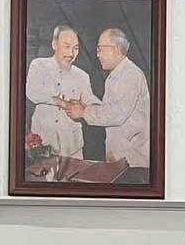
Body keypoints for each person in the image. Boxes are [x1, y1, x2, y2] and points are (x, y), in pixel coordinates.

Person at [61, 28, 151, 168]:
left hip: (134, 161)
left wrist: (84, 112)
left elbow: (116, 114)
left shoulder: (130, 75)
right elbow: (110, 108)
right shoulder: (117, 75)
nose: (97, 55)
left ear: (115, 50)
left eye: (100, 49)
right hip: (121, 158)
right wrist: (85, 106)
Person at [24, 26, 92, 159]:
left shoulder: (83, 76)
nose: (71, 53)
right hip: (43, 144)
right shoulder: (39, 65)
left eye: (76, 48)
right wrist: (60, 101)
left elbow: (89, 99)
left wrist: (100, 108)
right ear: (54, 45)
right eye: (67, 47)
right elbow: (32, 92)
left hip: (72, 147)